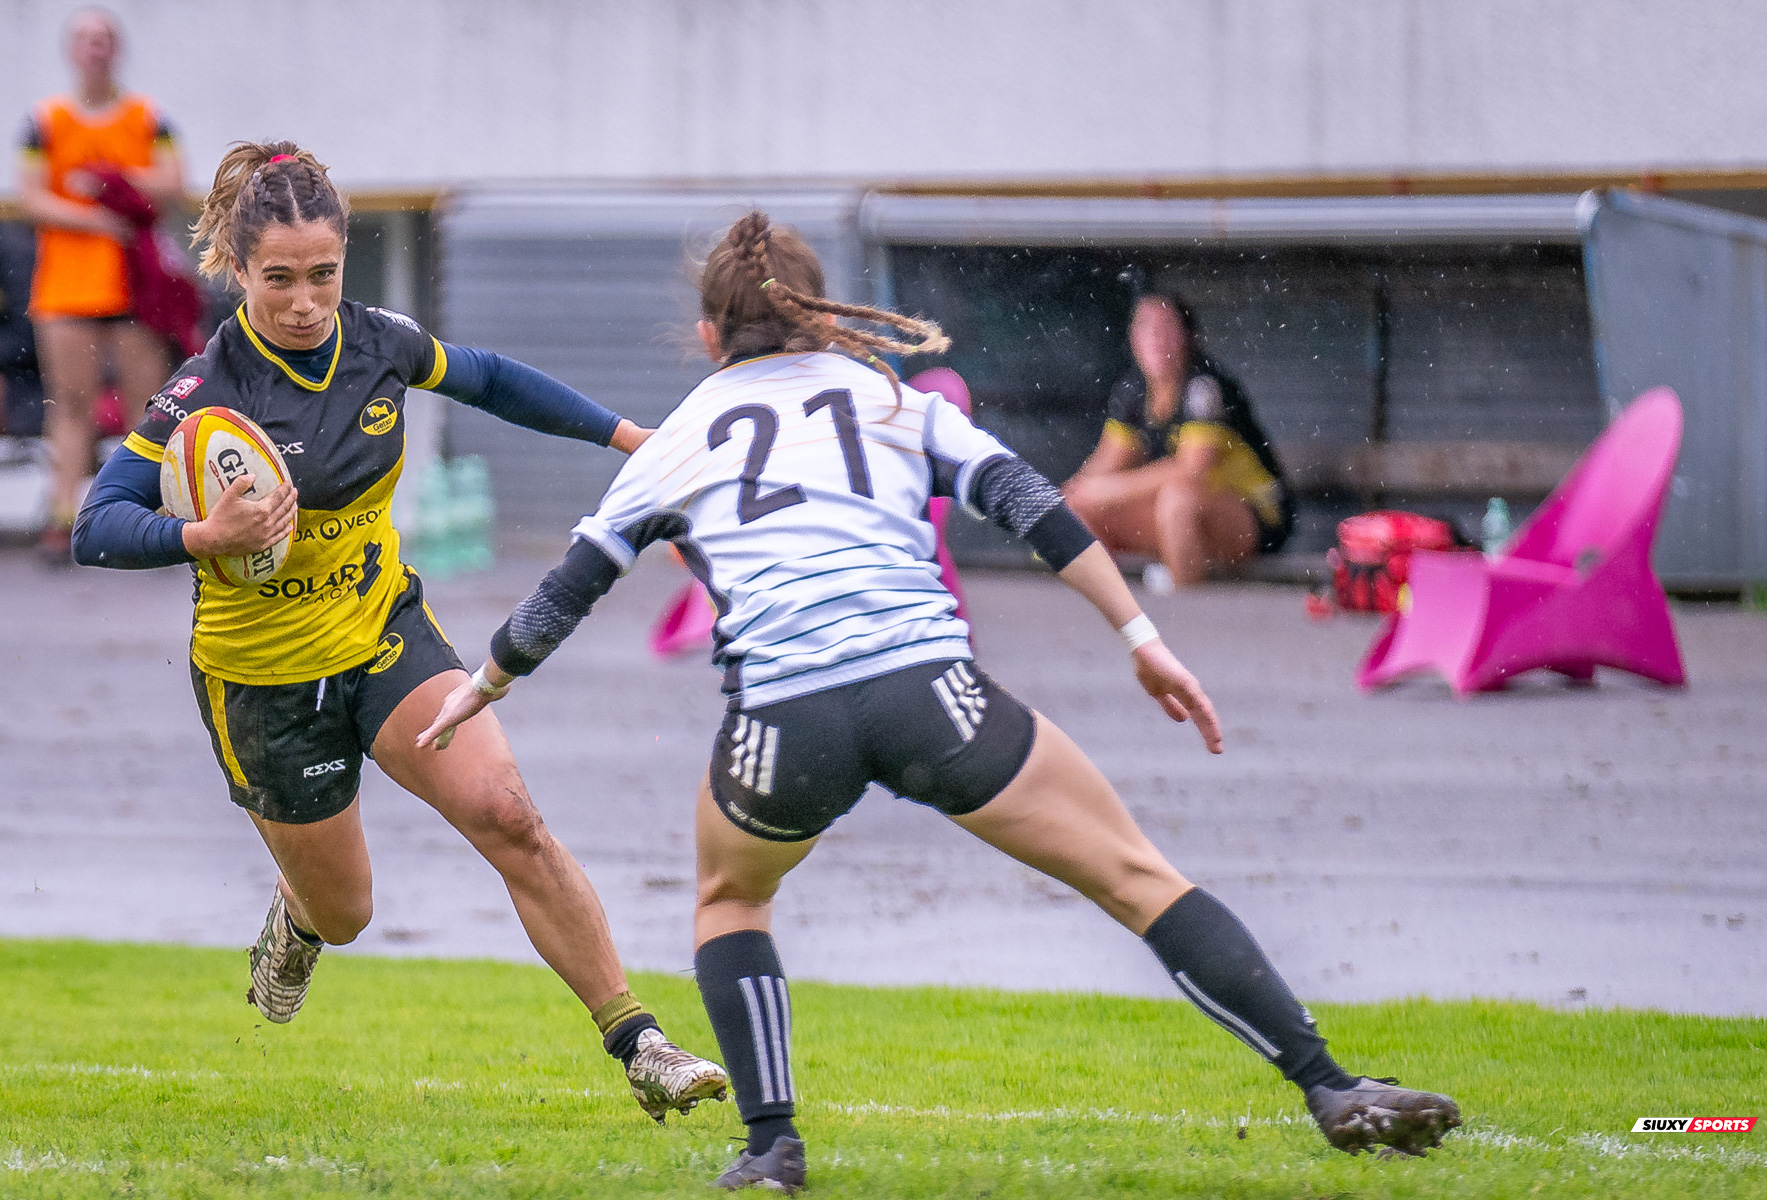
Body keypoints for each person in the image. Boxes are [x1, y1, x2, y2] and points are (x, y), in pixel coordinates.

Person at [418, 213, 1462, 1191]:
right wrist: (1144, 641)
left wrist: (484, 685)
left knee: (731, 901)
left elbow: (569, 588)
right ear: (825, 314)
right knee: (1138, 878)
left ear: (706, 335)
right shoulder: (892, 400)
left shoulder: (682, 435)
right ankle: (1330, 1086)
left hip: (785, 724)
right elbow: (1033, 507)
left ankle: (773, 1149)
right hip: (934, 696)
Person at [70, 142, 727, 1123]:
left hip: (383, 636)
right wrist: (203, 534)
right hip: (264, 684)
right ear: (240, 271)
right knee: (347, 908)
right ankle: (298, 920)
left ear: (345, 262)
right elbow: (97, 524)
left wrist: (633, 440)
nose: (303, 300)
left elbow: (492, 379)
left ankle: (642, 1045)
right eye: (280, 278)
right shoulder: (205, 392)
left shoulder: (377, 342)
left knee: (510, 817)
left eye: (323, 274)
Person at [18, 7, 182, 564]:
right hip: (66, 289)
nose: (97, 48)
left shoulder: (147, 117)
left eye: (106, 38)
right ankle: (62, 518)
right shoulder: (45, 120)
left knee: (147, 406)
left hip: (136, 290)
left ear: (118, 49)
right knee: (70, 404)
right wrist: (100, 218)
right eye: (87, 39)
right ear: (73, 50)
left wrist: (110, 182)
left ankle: (149, 516)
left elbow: (172, 180)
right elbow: (29, 195)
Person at [1063, 292, 1293, 588]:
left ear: (1187, 336)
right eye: (1145, 327)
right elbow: (1106, 463)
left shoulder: (1204, 387)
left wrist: (1108, 490)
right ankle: (1114, 616)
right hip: (1177, 525)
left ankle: (1186, 617)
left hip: (1253, 517)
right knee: (1079, 511)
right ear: (1132, 338)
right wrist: (1071, 496)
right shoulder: (1133, 390)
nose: (1155, 338)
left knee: (1177, 501)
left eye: (1166, 328)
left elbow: (1191, 470)